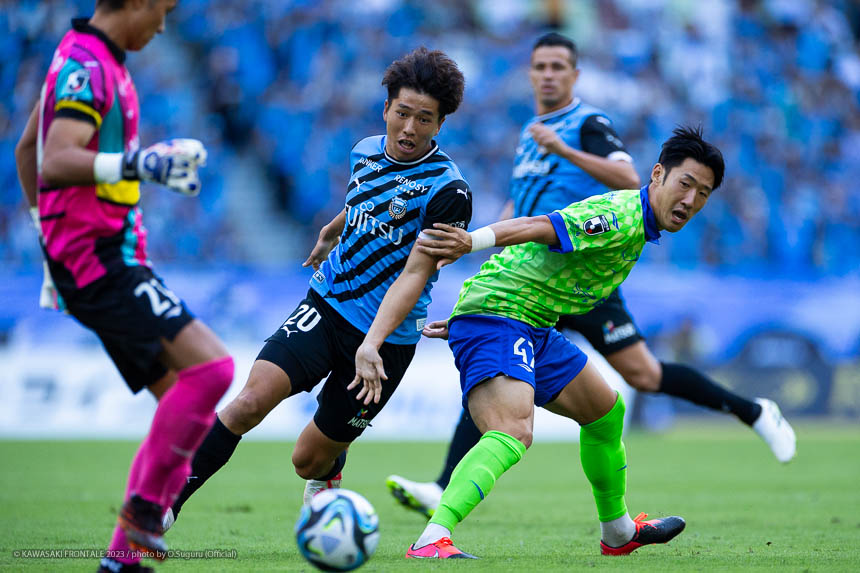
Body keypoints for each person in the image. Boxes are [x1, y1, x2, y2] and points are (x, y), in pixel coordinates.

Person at [386, 32, 796, 520]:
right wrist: (484, 259)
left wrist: (564, 149)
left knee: (642, 375)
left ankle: (753, 411)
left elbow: (628, 179)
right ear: (530, 74)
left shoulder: (587, 125)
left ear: (575, 75)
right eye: (540, 66)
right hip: (534, 276)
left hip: (586, 261)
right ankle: (445, 489)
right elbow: (523, 203)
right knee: (502, 373)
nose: (548, 75)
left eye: (559, 66)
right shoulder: (530, 133)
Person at [160, 47, 473, 531]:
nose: (410, 128)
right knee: (248, 402)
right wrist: (333, 229)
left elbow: (415, 274)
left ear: (440, 124)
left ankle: (330, 470)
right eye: (402, 113)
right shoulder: (365, 150)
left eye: (424, 119)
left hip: (386, 341)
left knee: (307, 460)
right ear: (386, 109)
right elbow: (365, 199)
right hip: (326, 307)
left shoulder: (449, 191)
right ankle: (163, 508)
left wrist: (371, 344)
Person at [381, 126, 720, 558]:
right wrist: (472, 243)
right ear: (657, 175)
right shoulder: (619, 216)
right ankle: (432, 538)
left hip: (527, 321)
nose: (690, 200)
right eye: (685, 184)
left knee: (605, 412)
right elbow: (539, 226)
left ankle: (618, 532)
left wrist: (473, 311)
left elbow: (543, 267)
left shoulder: (640, 227)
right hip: (505, 314)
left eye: (703, 193)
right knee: (512, 430)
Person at [14, 2, 233, 572]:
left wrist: (48, 244)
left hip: (96, 256)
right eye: (162, 9)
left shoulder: (85, 57)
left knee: (181, 402)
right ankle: (143, 515)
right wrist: (139, 164)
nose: (163, 25)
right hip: (100, 257)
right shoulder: (86, 65)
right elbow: (54, 159)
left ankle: (121, 561)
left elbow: (25, 150)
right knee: (212, 371)